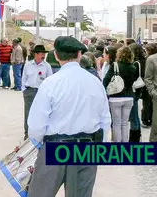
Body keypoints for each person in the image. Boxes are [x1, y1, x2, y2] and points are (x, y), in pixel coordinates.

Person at [27, 36, 111, 197]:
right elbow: (105, 120)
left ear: (56, 55)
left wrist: (38, 146)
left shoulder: (51, 83)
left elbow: (37, 125)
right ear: (80, 54)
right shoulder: (95, 82)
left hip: (55, 147)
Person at [103, 46, 138, 142]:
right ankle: (125, 143)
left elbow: (105, 80)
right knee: (125, 123)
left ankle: (117, 145)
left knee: (116, 123)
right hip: (129, 97)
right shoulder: (133, 67)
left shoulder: (114, 66)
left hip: (115, 97)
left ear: (119, 54)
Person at [21, 44, 52, 140]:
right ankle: (27, 133)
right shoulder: (28, 65)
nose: (42, 56)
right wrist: (24, 90)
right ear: (35, 54)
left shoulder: (47, 66)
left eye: (43, 54)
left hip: (41, 92)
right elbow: (24, 78)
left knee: (41, 113)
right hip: (29, 91)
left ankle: (40, 133)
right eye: (40, 54)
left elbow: (50, 80)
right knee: (28, 113)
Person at [141, 43, 157, 128]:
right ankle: (152, 120)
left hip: (149, 84)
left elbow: (146, 73)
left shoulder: (148, 59)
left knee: (147, 103)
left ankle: (146, 120)